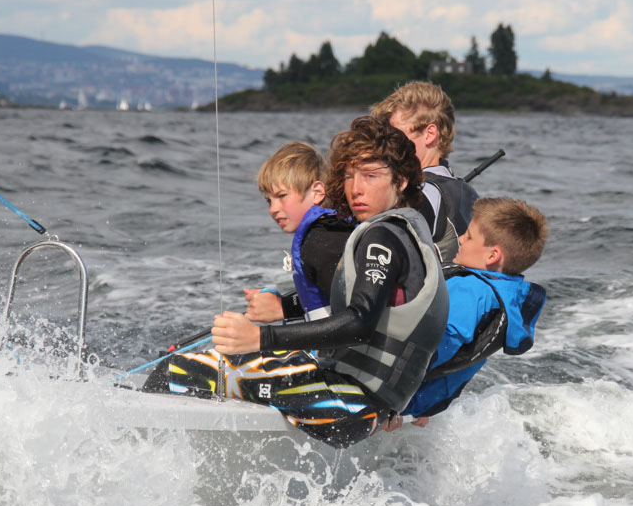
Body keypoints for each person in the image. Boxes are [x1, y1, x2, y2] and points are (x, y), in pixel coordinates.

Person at [144, 116, 449, 448]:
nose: (356, 188)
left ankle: (143, 463)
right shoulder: (413, 234)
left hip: (344, 403)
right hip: (370, 406)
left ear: (401, 181)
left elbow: (359, 323)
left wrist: (260, 337)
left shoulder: (381, 238)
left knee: (175, 370)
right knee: (242, 366)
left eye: (370, 176)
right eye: (349, 176)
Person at [385, 197, 548, 430]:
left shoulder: (470, 291)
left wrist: (387, 398)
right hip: (422, 402)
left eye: (469, 236)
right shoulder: (505, 296)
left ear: (492, 256)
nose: (461, 239)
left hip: (393, 395)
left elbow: (433, 348)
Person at [243, 141, 353, 323]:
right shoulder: (325, 234)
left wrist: (262, 336)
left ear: (317, 192)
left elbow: (353, 316)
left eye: (282, 196)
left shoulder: (321, 244)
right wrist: (283, 306)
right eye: (269, 200)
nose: (273, 209)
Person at [370, 81, 479, 262]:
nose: (384, 146)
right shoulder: (467, 192)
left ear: (430, 134)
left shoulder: (421, 192)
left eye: (395, 135)